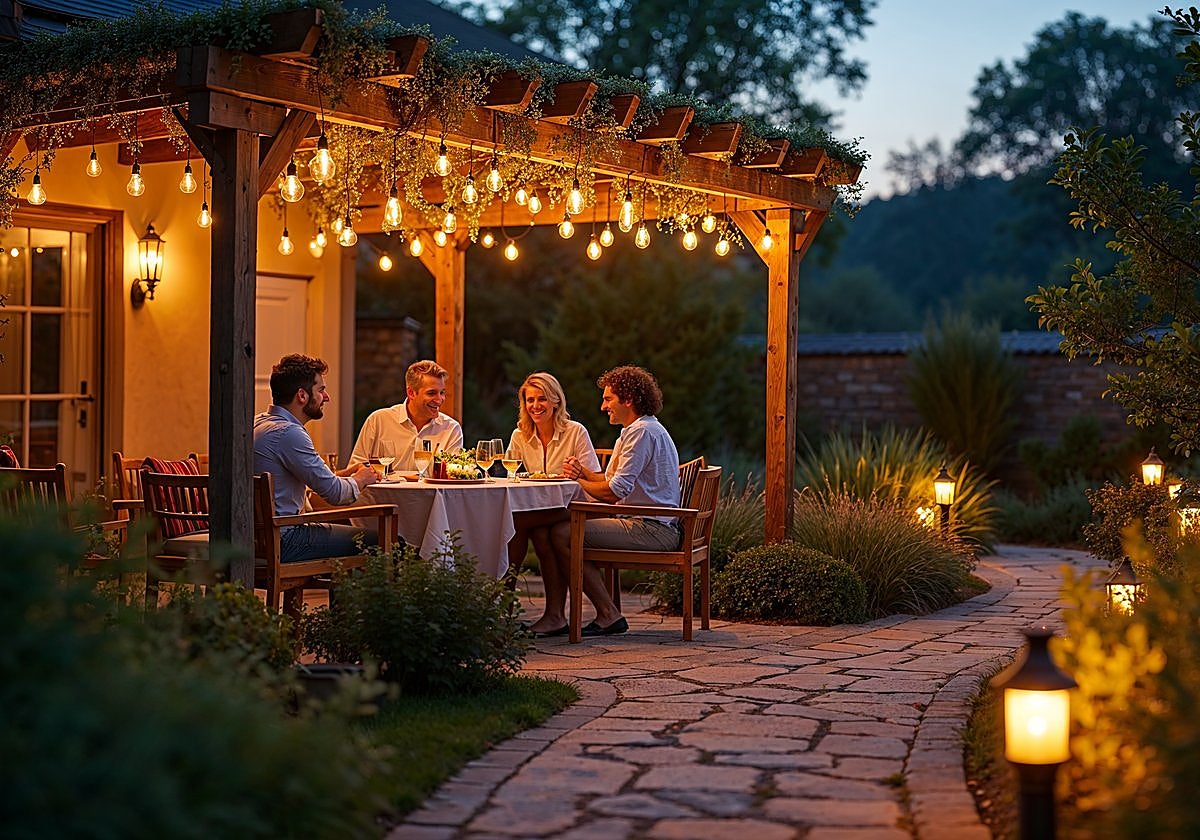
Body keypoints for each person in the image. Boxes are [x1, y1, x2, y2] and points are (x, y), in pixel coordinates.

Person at [526, 365, 681, 638]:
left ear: (628, 399)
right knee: (548, 531)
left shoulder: (641, 433)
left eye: (608, 399)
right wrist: (583, 472)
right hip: (646, 522)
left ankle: (608, 614)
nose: (603, 406)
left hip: (653, 529)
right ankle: (567, 615)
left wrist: (576, 481)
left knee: (562, 534)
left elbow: (614, 492)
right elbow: (609, 480)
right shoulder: (636, 430)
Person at [253, 354, 380, 563]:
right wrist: (363, 478)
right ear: (302, 396)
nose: (327, 397)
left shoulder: (259, 423)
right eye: (321, 390)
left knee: (351, 532)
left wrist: (346, 474)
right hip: (284, 539)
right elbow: (336, 495)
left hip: (255, 538)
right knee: (384, 540)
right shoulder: (289, 433)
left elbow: (295, 482)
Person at [504, 372, 600, 587]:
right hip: (542, 510)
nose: (536, 405)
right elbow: (511, 474)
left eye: (542, 398)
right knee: (539, 535)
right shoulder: (519, 435)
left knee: (513, 522)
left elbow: (596, 479)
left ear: (556, 401)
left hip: (576, 506)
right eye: (530, 400)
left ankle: (503, 597)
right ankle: (553, 616)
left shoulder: (575, 431)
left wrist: (579, 470)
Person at [348, 359, 464, 470]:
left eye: (442, 392)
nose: (440, 400)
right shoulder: (378, 421)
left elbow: (451, 480)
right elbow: (356, 470)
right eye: (431, 393)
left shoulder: (451, 429)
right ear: (411, 393)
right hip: (386, 491)